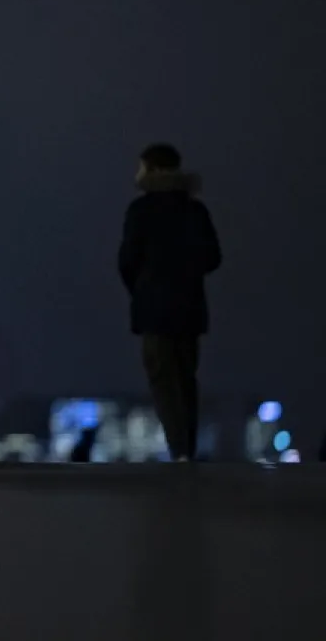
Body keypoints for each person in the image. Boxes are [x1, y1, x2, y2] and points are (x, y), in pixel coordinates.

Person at [118, 143, 222, 463]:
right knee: (186, 378)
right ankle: (186, 447)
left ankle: (178, 450)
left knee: (163, 381)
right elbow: (213, 257)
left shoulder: (141, 211)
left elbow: (127, 261)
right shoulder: (195, 211)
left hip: (154, 310)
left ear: (153, 170)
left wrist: (143, 288)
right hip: (189, 308)